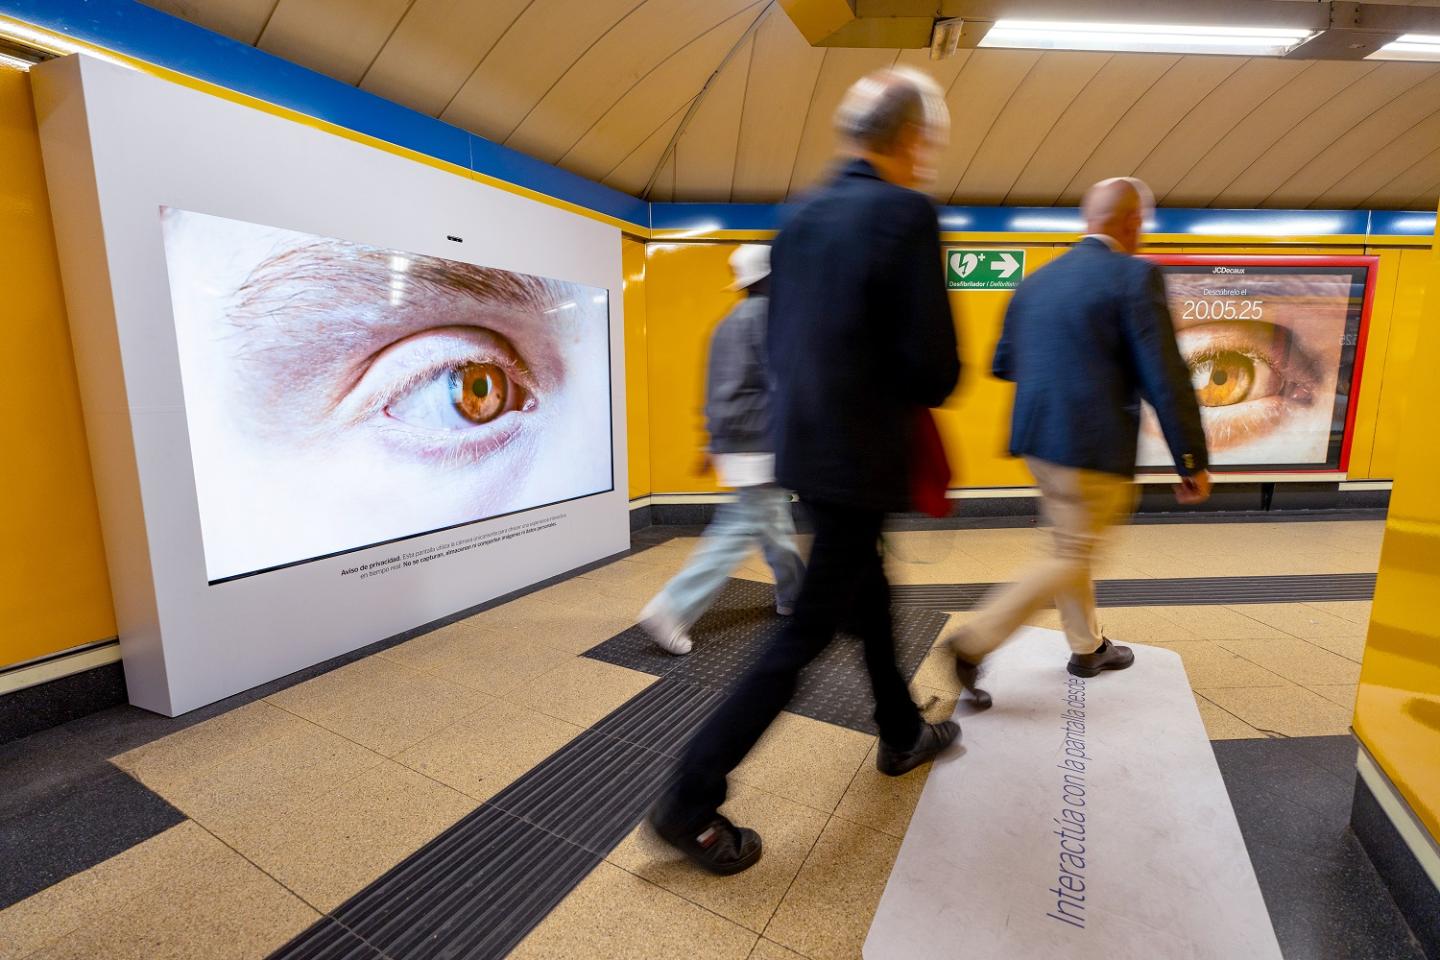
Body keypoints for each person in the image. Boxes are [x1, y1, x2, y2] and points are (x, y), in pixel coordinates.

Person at [649, 67, 961, 875]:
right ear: (911, 138)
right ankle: (688, 800)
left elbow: (786, 351)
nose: (927, 156)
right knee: (805, 632)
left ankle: (900, 732)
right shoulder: (906, 214)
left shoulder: (799, 221)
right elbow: (935, 370)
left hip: (808, 453)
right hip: (863, 457)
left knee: (871, 596)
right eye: (927, 141)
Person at [945, 177, 1212, 706]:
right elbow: (1165, 375)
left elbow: (1004, 363)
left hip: (1037, 440)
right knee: (1072, 552)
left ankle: (1087, 648)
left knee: (1069, 544)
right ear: (1133, 222)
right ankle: (974, 642)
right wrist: (1190, 459)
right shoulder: (1135, 276)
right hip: (1092, 444)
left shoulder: (1037, 281)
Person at [638, 245, 804, 655]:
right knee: (738, 529)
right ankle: (671, 608)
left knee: (773, 523)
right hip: (761, 442)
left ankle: (795, 595)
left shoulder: (727, 325)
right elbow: (783, 384)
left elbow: (717, 392)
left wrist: (710, 443)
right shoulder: (767, 320)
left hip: (738, 444)